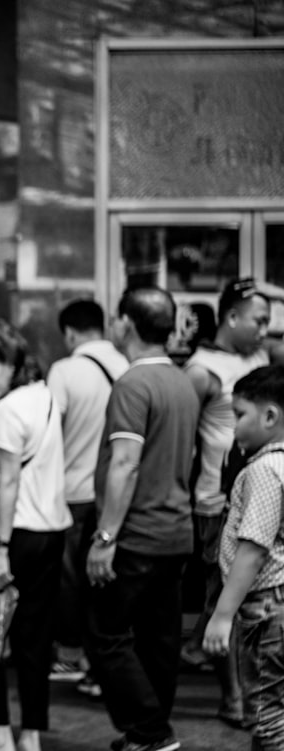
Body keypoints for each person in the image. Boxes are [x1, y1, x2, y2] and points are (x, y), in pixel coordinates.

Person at [85, 287, 201, 751]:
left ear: (127, 324)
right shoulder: (182, 381)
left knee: (106, 636)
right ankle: (148, 734)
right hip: (176, 533)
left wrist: (105, 536)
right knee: (160, 640)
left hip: (136, 535)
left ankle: (151, 730)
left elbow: (125, 462)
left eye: (116, 318)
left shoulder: (133, 383)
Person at [0, 317, 71, 751]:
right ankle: (29, 736)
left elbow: (6, 483)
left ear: (8, 363)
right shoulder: (42, 394)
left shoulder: (8, 409)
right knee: (34, 639)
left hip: (12, 534)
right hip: (51, 529)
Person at [181, 278, 272, 724]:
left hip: (264, 489)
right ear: (231, 317)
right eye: (258, 319)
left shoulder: (257, 355)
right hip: (217, 501)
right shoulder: (200, 370)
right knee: (225, 597)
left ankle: (251, 687)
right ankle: (233, 697)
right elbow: (184, 438)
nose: (264, 328)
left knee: (256, 590)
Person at [45, 299, 128, 697]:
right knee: (106, 582)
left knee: (72, 580)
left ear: (71, 333)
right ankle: (102, 665)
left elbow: (49, 431)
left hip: (73, 493)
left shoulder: (64, 371)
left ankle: (72, 654)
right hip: (116, 493)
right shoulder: (127, 367)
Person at [202, 365, 284, 750]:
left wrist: (222, 615)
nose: (233, 427)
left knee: (267, 717)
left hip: (267, 606)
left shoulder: (265, 470)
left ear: (270, 417)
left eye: (239, 415)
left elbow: (252, 549)